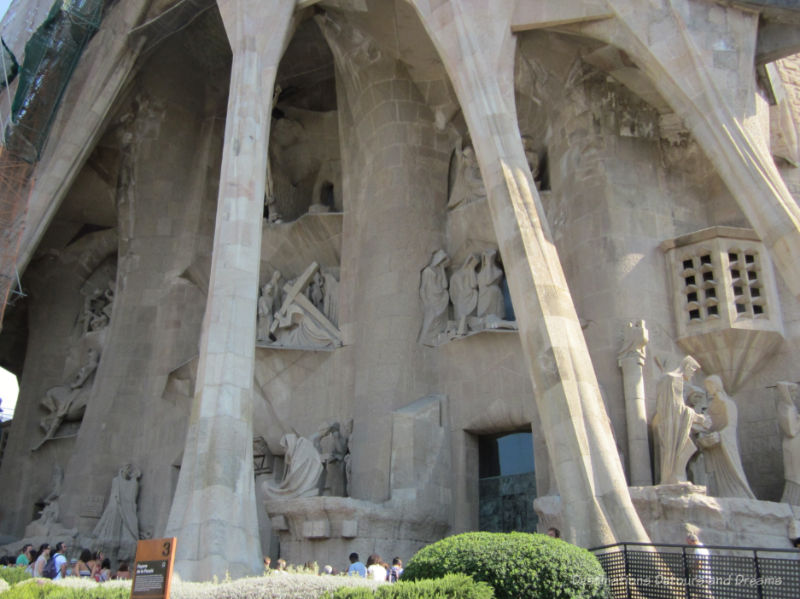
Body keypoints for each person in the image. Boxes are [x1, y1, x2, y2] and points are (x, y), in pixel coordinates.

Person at [652, 356, 708, 484]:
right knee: (684, 447)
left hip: (667, 422)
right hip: (674, 423)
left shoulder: (666, 378)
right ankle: (676, 478)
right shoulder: (676, 379)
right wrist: (699, 419)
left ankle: (675, 477)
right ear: (687, 367)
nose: (692, 375)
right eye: (692, 371)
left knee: (684, 448)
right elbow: (678, 408)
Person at [696, 375, 755, 499]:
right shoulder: (711, 406)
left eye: (710, 385)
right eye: (707, 386)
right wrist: (705, 435)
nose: (708, 389)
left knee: (732, 472)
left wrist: (720, 435)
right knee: (717, 475)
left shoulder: (728, 403)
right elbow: (710, 425)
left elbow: (731, 426)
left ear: (717, 385)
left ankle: (740, 496)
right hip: (715, 447)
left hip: (726, 445)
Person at [686, 533, 712, 597]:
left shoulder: (697, 550)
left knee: (705, 595)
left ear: (693, 541)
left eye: (689, 543)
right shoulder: (703, 547)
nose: (689, 545)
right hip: (707, 574)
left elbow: (698, 565)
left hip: (701, 577)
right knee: (706, 593)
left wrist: (691, 570)